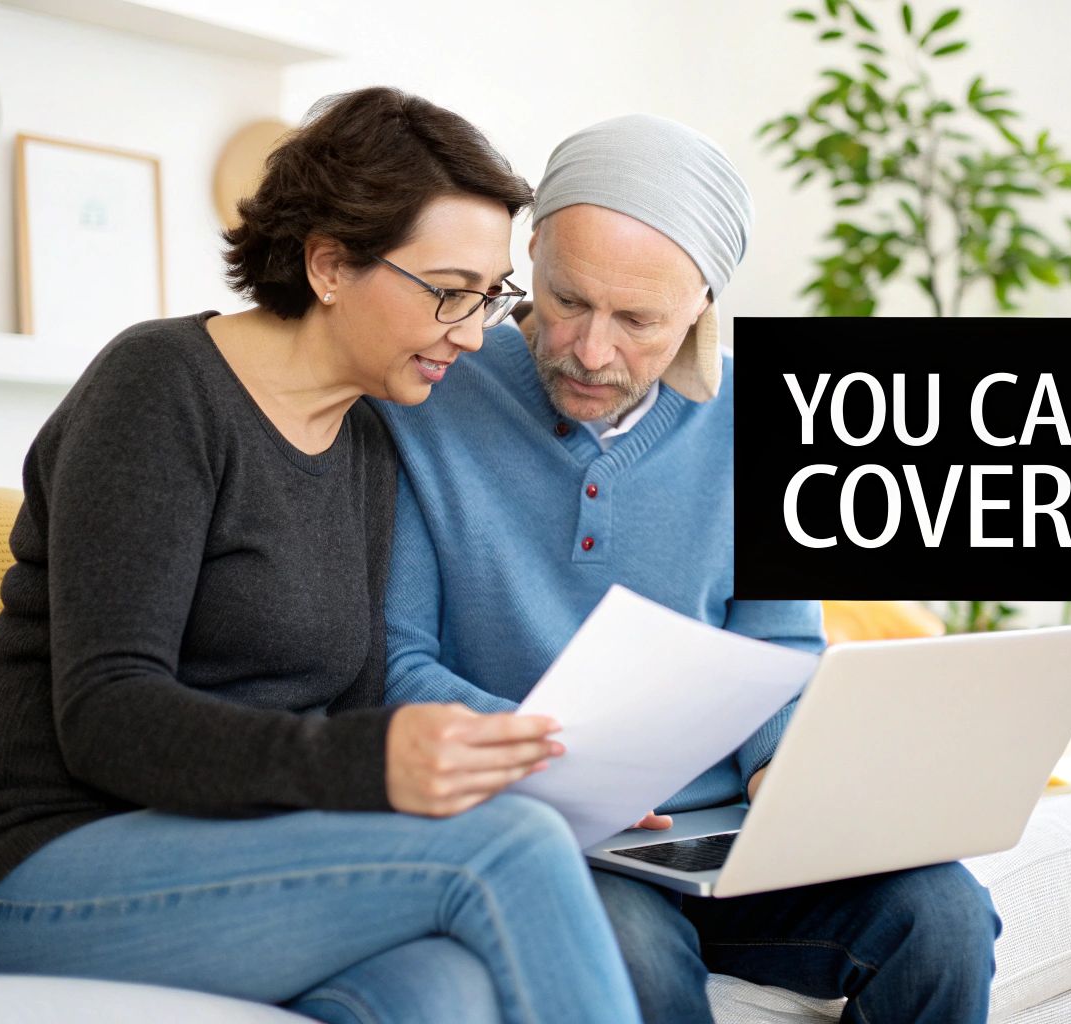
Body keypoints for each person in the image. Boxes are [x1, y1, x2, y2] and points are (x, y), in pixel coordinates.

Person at [0, 87, 642, 1024]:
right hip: (35, 860)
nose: (472, 331)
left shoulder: (370, 441)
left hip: (237, 848)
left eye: (488, 297)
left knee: (443, 994)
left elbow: (357, 695)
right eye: (450, 292)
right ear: (331, 264)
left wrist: (541, 761)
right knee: (512, 847)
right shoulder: (162, 388)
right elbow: (106, 712)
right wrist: (363, 763)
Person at [374, 113, 1002, 1024]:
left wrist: (785, 774)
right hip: (550, 832)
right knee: (630, 952)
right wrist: (560, 757)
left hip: (726, 834)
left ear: (703, 301)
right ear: (533, 249)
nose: (591, 351)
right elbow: (398, 661)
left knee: (942, 917)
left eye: (637, 321)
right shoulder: (427, 397)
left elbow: (778, 641)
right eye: (566, 300)